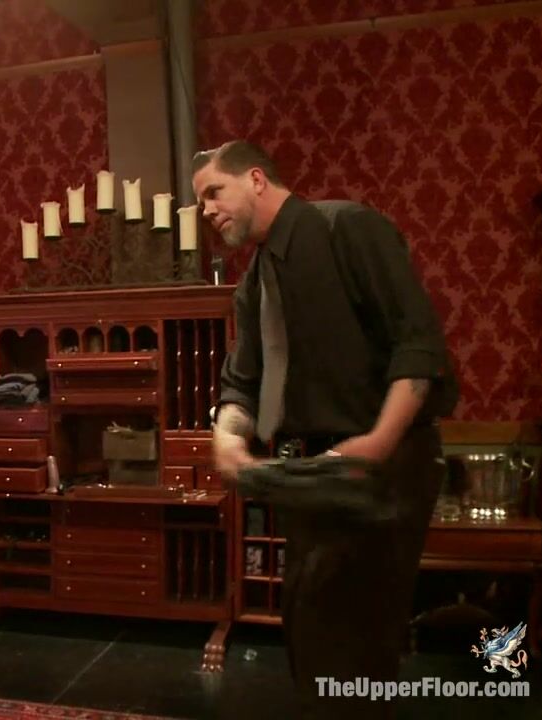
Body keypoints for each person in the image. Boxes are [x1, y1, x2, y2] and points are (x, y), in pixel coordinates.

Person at [194, 140, 458, 718]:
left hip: (386, 470)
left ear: (256, 179)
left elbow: (418, 345)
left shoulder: (348, 228)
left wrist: (377, 443)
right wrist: (228, 438)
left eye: (214, 192)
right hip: (314, 476)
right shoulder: (253, 282)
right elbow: (241, 382)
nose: (206, 210)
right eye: (201, 202)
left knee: (358, 651)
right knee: (311, 638)